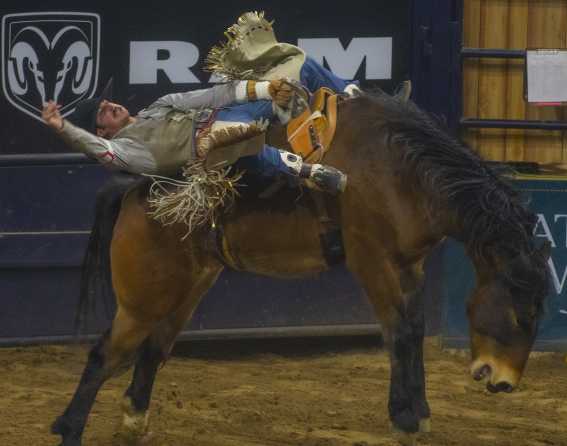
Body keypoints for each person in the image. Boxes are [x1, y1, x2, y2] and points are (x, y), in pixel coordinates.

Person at [41, 12, 359, 195]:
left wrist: (267, 88)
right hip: (209, 152)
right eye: (102, 112)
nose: (110, 105)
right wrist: (64, 128)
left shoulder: (159, 105)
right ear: (103, 132)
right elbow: (97, 150)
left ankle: (358, 97)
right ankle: (310, 171)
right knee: (231, 137)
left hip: (230, 114)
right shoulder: (125, 151)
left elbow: (212, 96)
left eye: (107, 101)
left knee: (295, 62)